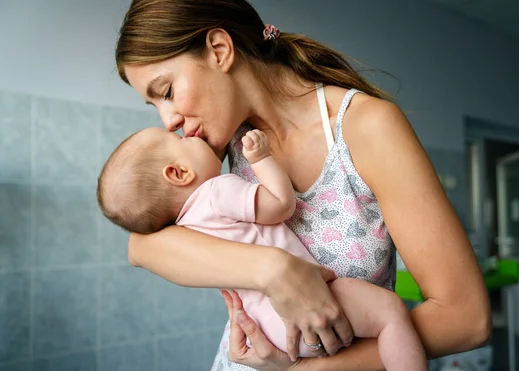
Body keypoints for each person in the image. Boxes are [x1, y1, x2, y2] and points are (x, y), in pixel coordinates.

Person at [115, 0, 492, 370]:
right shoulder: (223, 144)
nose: (168, 121)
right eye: (155, 105)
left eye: (166, 92)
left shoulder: (365, 127)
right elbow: (141, 246)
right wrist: (274, 271)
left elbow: (466, 319)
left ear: (219, 50)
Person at [96, 126, 427, 370]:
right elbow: (281, 205)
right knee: (391, 313)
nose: (183, 131)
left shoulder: (185, 229)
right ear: (179, 173)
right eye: (181, 141)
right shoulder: (216, 192)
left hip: (266, 331)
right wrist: (262, 158)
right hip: (295, 313)